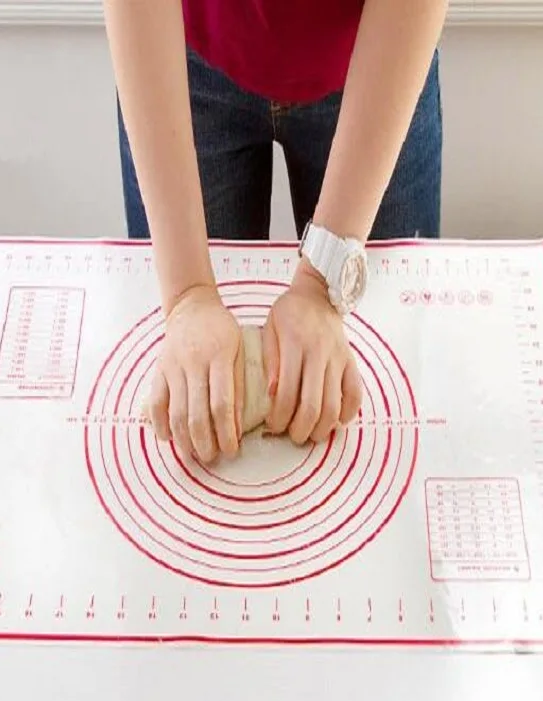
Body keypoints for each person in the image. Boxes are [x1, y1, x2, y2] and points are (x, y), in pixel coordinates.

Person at [103, 0, 446, 464]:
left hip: (380, 53)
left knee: (393, 391)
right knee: (194, 393)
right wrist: (186, 297)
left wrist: (323, 282)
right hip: (183, 57)